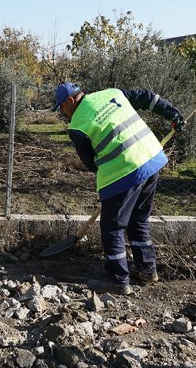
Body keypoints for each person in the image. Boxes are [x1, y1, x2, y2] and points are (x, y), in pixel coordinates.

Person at [54, 82, 184, 295]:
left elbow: (90, 163)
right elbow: (146, 97)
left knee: (112, 229)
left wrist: (114, 174)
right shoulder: (111, 93)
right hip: (151, 159)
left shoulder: (77, 125)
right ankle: (147, 270)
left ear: (70, 100)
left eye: (61, 106)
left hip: (123, 172)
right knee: (138, 220)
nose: (62, 111)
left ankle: (118, 281)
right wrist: (172, 113)